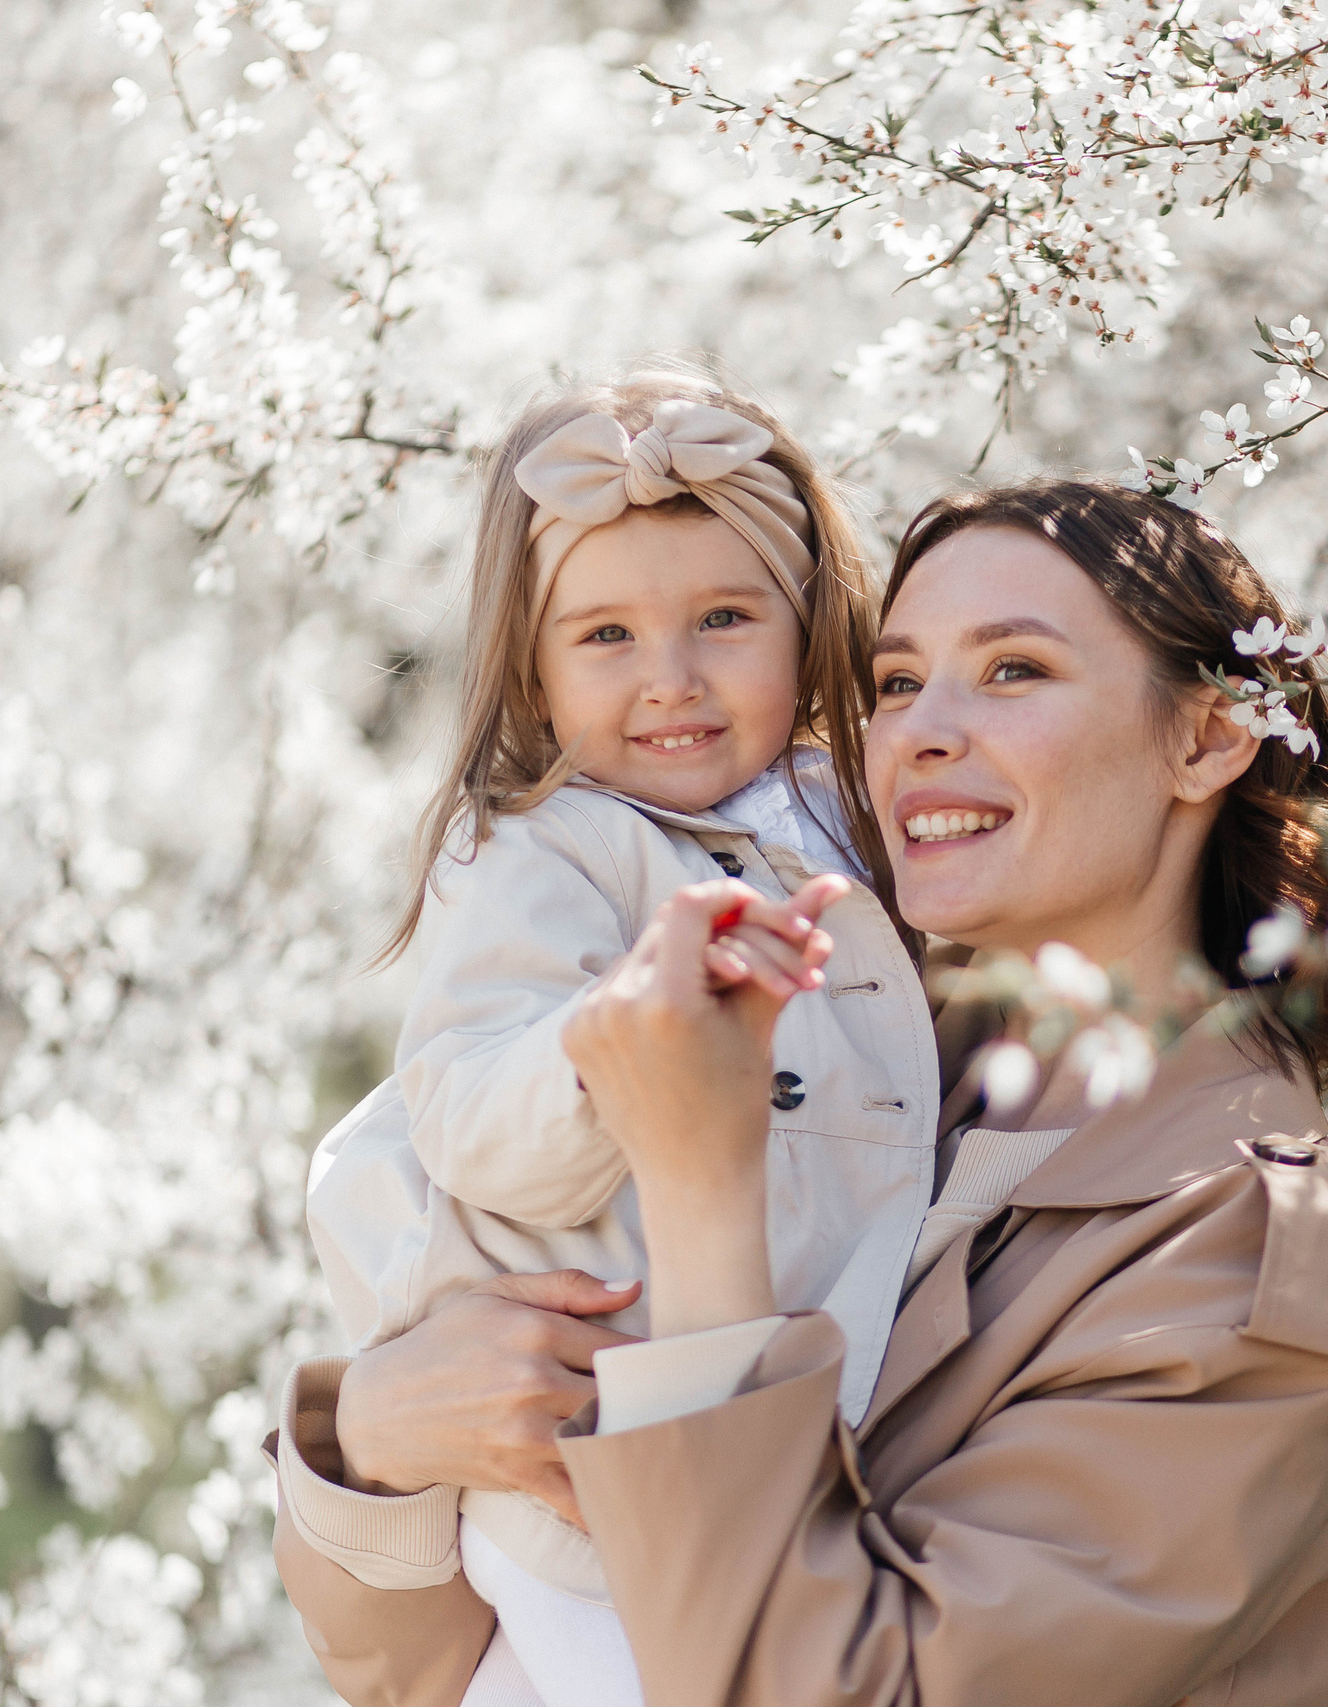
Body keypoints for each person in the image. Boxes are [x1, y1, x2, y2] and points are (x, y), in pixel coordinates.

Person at [271, 477, 1328, 1707]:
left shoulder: (1241, 1259)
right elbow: (415, 1674)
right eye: (893, 683)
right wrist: (382, 1442)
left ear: (1203, 740)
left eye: (1014, 671)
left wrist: (700, 1188)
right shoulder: (869, 1070)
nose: (919, 732)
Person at [298, 367, 939, 1705]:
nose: (674, 679)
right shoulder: (549, 850)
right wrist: (605, 1041)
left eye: (724, 616)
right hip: (584, 1487)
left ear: (808, 621)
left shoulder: (844, 818)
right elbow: (467, 1113)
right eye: (605, 637)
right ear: (529, 673)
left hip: (774, 1451)